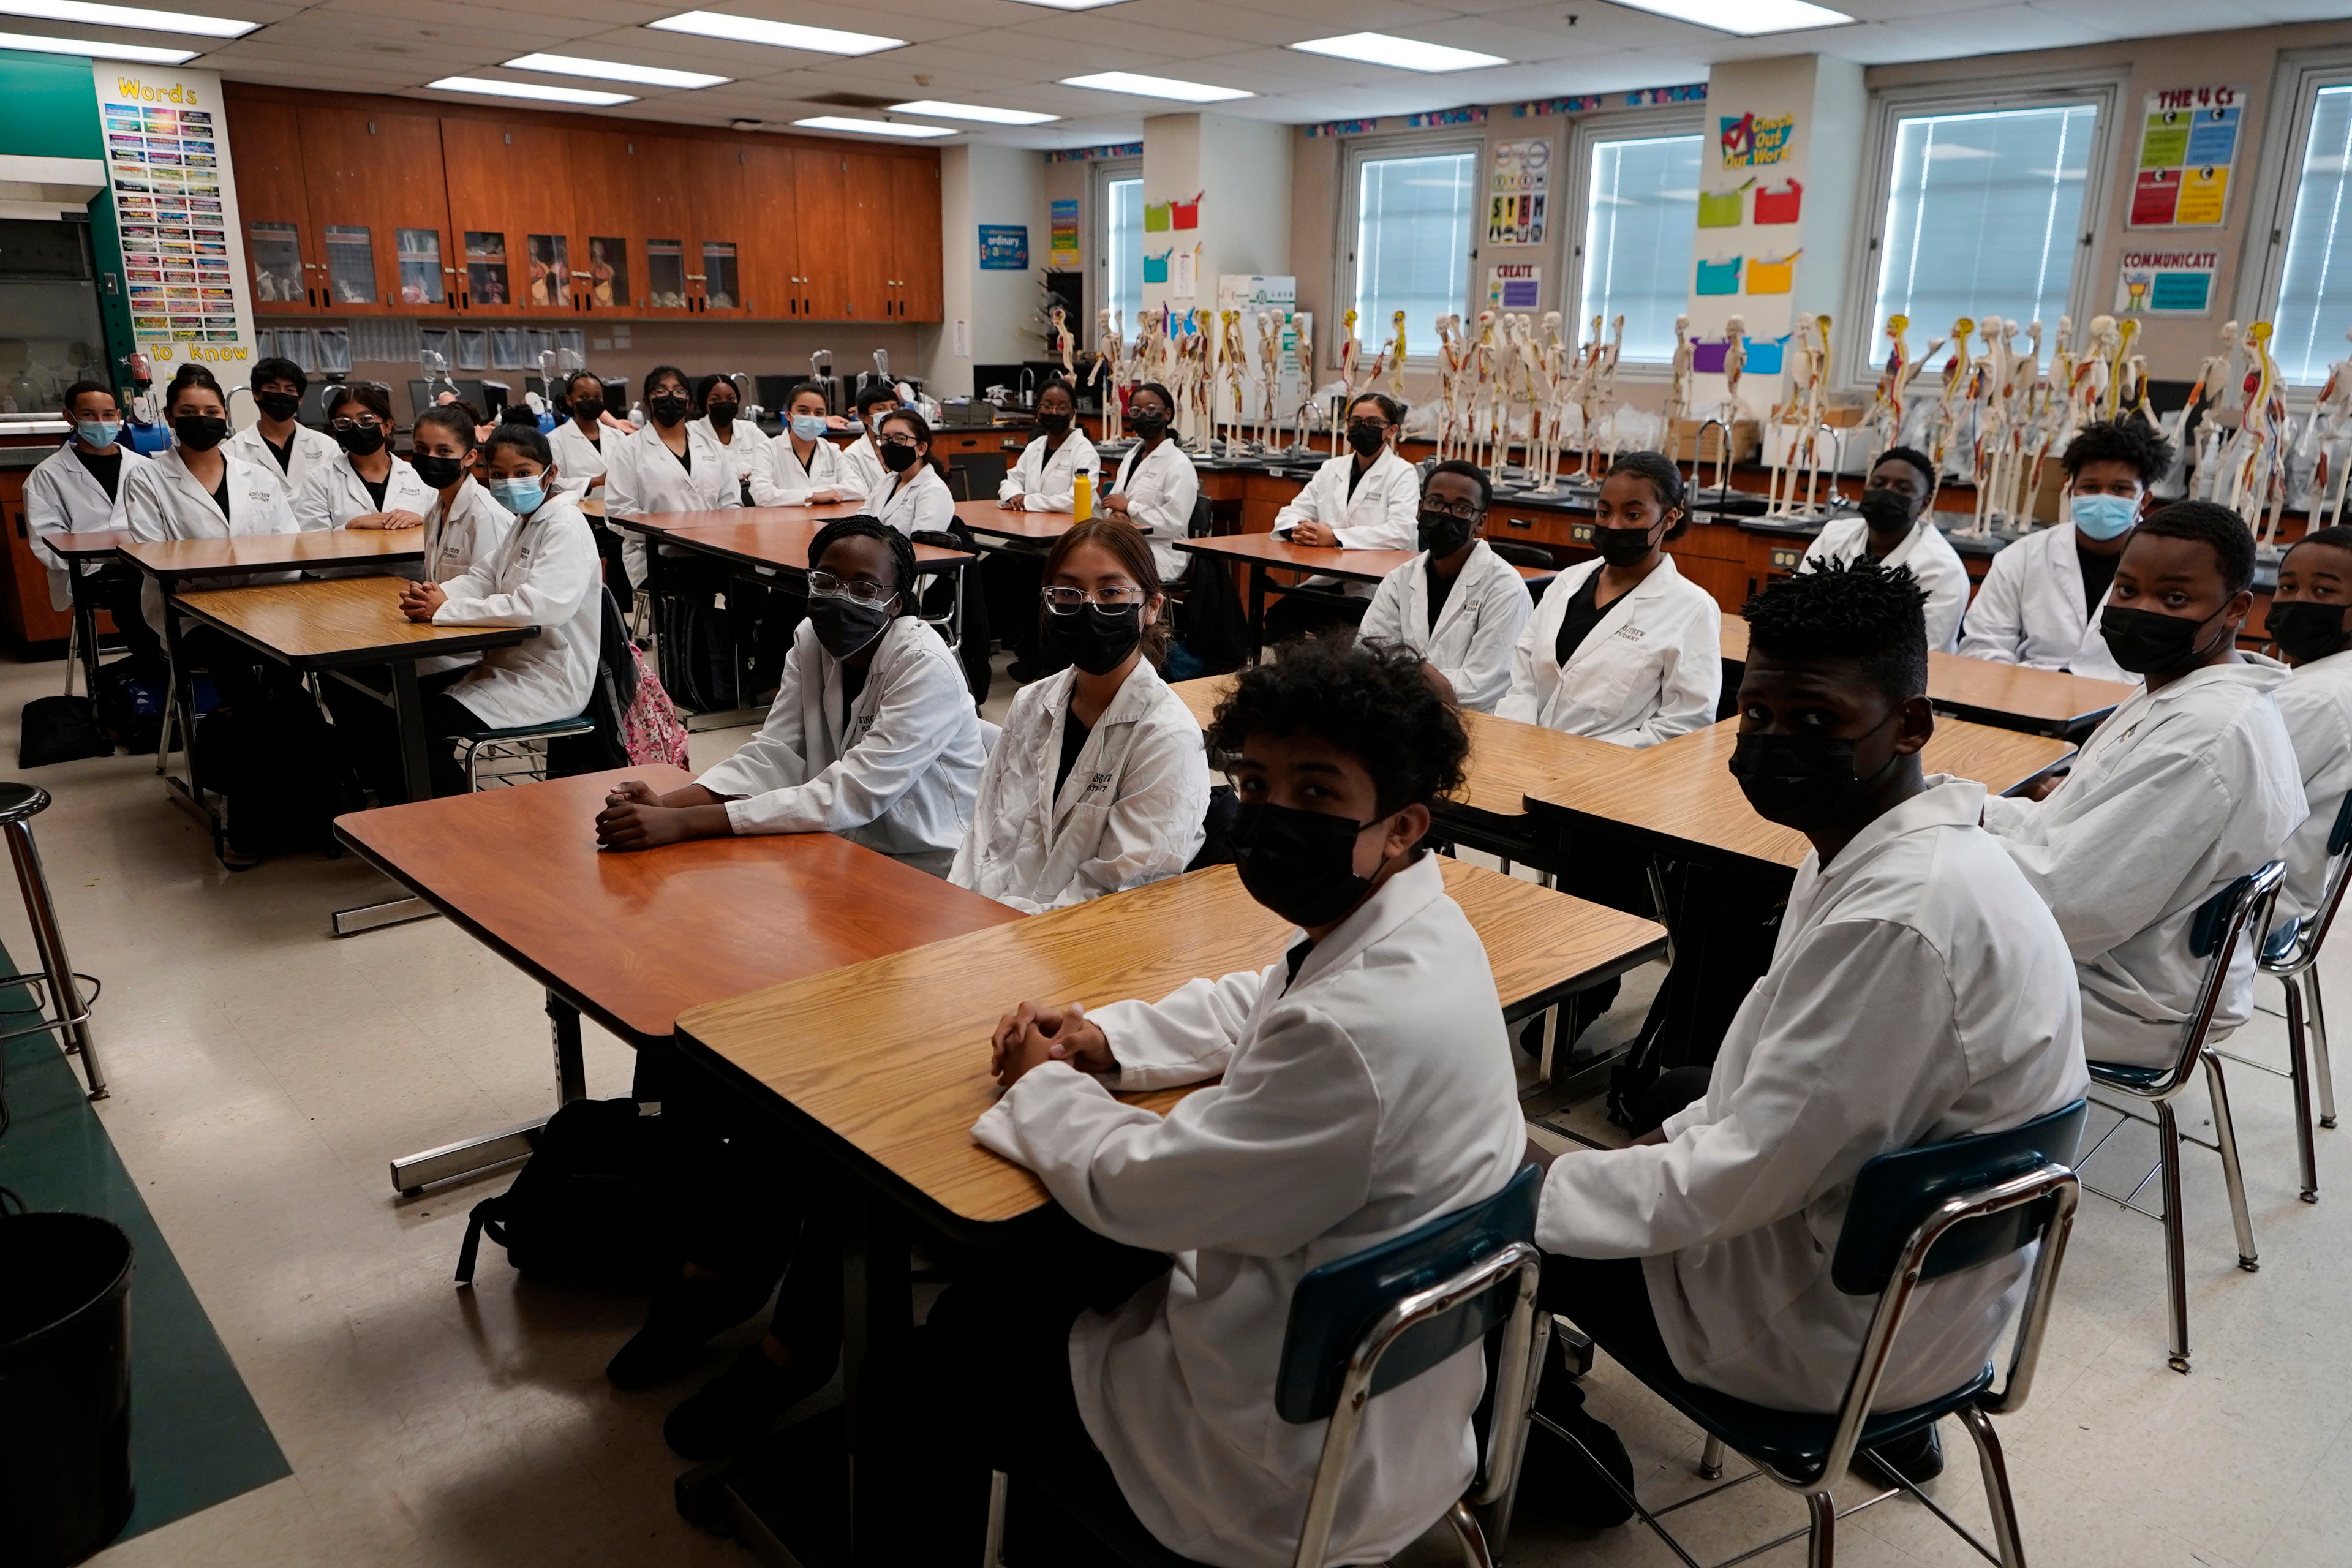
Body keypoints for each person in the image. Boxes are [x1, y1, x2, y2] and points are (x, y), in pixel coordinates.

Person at [905, 635, 1523, 1564]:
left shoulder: (1354, 1033)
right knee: (1052, 1271)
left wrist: (1041, 1088)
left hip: (1264, 1463)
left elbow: (1152, 1189)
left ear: (1402, 825)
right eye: (1258, 784)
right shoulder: (1421, 927)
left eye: (1317, 793)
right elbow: (1266, 994)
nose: (1273, 815)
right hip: (1393, 1404)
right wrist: (1109, 1041)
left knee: (970, 1330)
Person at [1527, 560, 2087, 1502]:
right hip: (1920, 1281)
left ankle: (1557, 1460)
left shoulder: (1902, 916)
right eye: (1759, 716)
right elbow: (1791, 1072)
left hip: (1831, 1330)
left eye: (1820, 721)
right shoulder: (1884, 845)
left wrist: (1531, 1189)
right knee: (1668, 1099)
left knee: (1486, 1219)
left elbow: (1745, 1177)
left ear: (1910, 722)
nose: (1778, 742)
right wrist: (1689, 1126)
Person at [1980, 502, 2304, 1069]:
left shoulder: (2205, 736)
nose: (2141, 610)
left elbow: (2068, 909)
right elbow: (2065, 828)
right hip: (2122, 951)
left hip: (2118, 995)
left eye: (2175, 599)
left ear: (2235, 610)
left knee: (1878, 953)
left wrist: (1944, 838)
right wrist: (1956, 807)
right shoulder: (2177, 691)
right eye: (2126, 591)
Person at [592, 515, 984, 876]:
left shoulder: (924, 665)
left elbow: (853, 793)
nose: (841, 599)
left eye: (864, 589)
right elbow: (775, 754)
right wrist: (667, 805)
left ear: (895, 603)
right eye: (826, 581)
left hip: (930, 863)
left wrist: (683, 824)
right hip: (843, 846)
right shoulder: (811, 640)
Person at [949, 518, 1208, 911]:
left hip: (1076, 946)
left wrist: (1004, 936)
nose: (1090, 607)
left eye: (1111, 592)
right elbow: (981, 834)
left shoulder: (1166, 736)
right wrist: (958, 914)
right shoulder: (1029, 704)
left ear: (1152, 607)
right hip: (987, 924)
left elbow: (1118, 891)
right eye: (1068, 593)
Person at [389, 424, 602, 799]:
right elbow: (485, 576)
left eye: (523, 473)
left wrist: (448, 610)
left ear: (550, 473)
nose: (509, 483)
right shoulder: (526, 523)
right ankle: (423, 812)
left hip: (547, 677)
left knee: (417, 724)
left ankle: (458, 822)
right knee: (401, 703)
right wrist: (435, 596)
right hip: (510, 665)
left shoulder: (564, 525)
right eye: (499, 475)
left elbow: (542, 606)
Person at [1497, 452, 1720, 746]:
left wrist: (1591, 764)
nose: (1614, 526)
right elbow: (1523, 679)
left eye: (1632, 515)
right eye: (1604, 512)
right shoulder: (1567, 582)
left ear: (1668, 520)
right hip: (1522, 752)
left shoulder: (1692, 608)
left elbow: (1684, 726)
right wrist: (1521, 739)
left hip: (1611, 777)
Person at [1959, 420, 2173, 681]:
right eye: (2091, 487)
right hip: (2025, 703)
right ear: (2071, 492)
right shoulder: (2022, 558)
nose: (2103, 497)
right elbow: (1984, 647)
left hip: (2124, 709)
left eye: (2120, 489)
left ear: (2144, 500)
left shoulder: (2169, 567)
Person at [114, 366, 302, 644]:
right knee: (227, 646)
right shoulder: (147, 479)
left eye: (212, 412)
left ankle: (281, 690)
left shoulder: (260, 478)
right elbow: (153, 554)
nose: (201, 420)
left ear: (225, 416)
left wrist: (259, 593)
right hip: (189, 607)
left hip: (264, 600)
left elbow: (288, 545)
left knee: (297, 640)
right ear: (170, 417)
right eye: (188, 413)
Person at [1356, 458, 1532, 712]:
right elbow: (1368, 656)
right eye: (1435, 503)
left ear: (1481, 522)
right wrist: (1423, 677)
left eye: (1462, 509)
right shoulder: (1399, 580)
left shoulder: (1505, 589)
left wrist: (1404, 672)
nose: (1444, 515)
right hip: (1400, 713)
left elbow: (1479, 688)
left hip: (1475, 723)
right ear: (1420, 509)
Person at [25, 378, 160, 668]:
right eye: (89, 415)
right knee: (132, 587)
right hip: (88, 570)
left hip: (146, 562)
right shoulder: (47, 475)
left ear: (119, 417)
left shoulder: (146, 468)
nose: (101, 423)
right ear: (69, 417)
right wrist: (102, 551)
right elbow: (46, 541)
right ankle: (153, 663)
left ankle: (183, 662)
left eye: (108, 415)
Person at [1264, 391, 1419, 638]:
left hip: (1377, 586)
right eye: (1356, 422)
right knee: (1279, 617)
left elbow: (1400, 532)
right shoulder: (1332, 468)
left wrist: (1335, 537)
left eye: (1373, 423)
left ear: (1391, 431)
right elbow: (1293, 511)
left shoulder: (1402, 473)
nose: (1362, 428)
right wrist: (1299, 531)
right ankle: (1298, 677)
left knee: (1345, 631)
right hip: (1332, 577)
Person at [2266, 526, 2352, 927]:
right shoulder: (2319, 684)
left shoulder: (2317, 699)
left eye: (2323, 592)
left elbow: (2214, 806)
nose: (2297, 602)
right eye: (2286, 586)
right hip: (2297, 886)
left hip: (2254, 903)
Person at [1803, 446, 1967, 651]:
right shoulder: (1833, 537)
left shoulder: (1941, 569)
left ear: (1924, 504)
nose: (1887, 492)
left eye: (1903, 489)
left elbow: (1921, 652)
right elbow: (1798, 609)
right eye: (1878, 484)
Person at [603, 364, 739, 589]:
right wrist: (671, 533)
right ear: (648, 402)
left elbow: (731, 502)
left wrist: (717, 532)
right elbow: (618, 513)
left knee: (751, 586)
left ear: (689, 402)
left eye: (678, 391)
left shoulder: (711, 447)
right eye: (660, 391)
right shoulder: (629, 449)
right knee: (697, 595)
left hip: (713, 548)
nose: (670, 397)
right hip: (658, 554)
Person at [290, 382, 430, 536]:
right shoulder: (319, 480)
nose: (356, 427)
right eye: (344, 422)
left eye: (366, 419)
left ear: (388, 426)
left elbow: (444, 531)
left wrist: (423, 520)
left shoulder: (418, 475)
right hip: (349, 560)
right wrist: (352, 526)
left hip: (413, 560)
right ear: (335, 429)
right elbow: (310, 542)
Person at [1104, 381, 1198, 585]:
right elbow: (1113, 501)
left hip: (1163, 551)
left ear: (1167, 414)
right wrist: (1117, 515)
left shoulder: (1179, 464)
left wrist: (1129, 508)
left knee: (1105, 567)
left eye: (1151, 409)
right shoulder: (1132, 456)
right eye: (1136, 410)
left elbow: (1174, 522)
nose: (1143, 415)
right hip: (1127, 541)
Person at [225, 355, 337, 494]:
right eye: (273, 388)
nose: (281, 394)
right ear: (256, 394)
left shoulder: (326, 446)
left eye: (290, 390)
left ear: (300, 399)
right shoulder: (233, 450)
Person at [998, 377, 1099, 513]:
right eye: (1047, 406)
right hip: (1034, 525)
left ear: (1072, 414)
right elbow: (1011, 481)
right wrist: (1015, 495)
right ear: (1038, 411)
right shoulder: (1034, 447)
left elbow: (1076, 501)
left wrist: (1027, 502)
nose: (1054, 412)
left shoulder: (1084, 452)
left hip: (1075, 530)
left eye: (1062, 408)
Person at [752, 380, 856, 505]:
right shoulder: (767, 450)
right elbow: (762, 495)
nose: (812, 417)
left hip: (827, 519)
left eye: (819, 413)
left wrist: (807, 495)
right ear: (788, 415)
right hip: (783, 522)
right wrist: (811, 496)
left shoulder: (832, 451)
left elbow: (858, 489)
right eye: (803, 411)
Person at [864, 407, 955, 537]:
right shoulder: (887, 481)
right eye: (886, 439)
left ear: (921, 448)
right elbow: (861, 521)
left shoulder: (934, 490)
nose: (891, 445)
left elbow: (923, 546)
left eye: (900, 439)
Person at [546, 369, 612, 504]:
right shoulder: (554, 440)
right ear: (569, 400)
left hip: (617, 514)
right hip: (580, 514)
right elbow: (553, 484)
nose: (592, 401)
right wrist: (595, 482)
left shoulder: (618, 436)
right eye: (584, 397)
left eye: (597, 397)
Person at [696, 373, 763, 506]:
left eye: (731, 398)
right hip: (713, 507)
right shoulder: (693, 433)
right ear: (705, 404)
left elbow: (772, 461)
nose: (724, 404)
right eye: (715, 400)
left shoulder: (750, 430)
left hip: (754, 503)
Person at [839, 382, 903, 499]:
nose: (890, 413)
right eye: (881, 409)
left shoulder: (907, 446)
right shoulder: (853, 455)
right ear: (864, 417)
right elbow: (859, 496)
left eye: (894, 408)